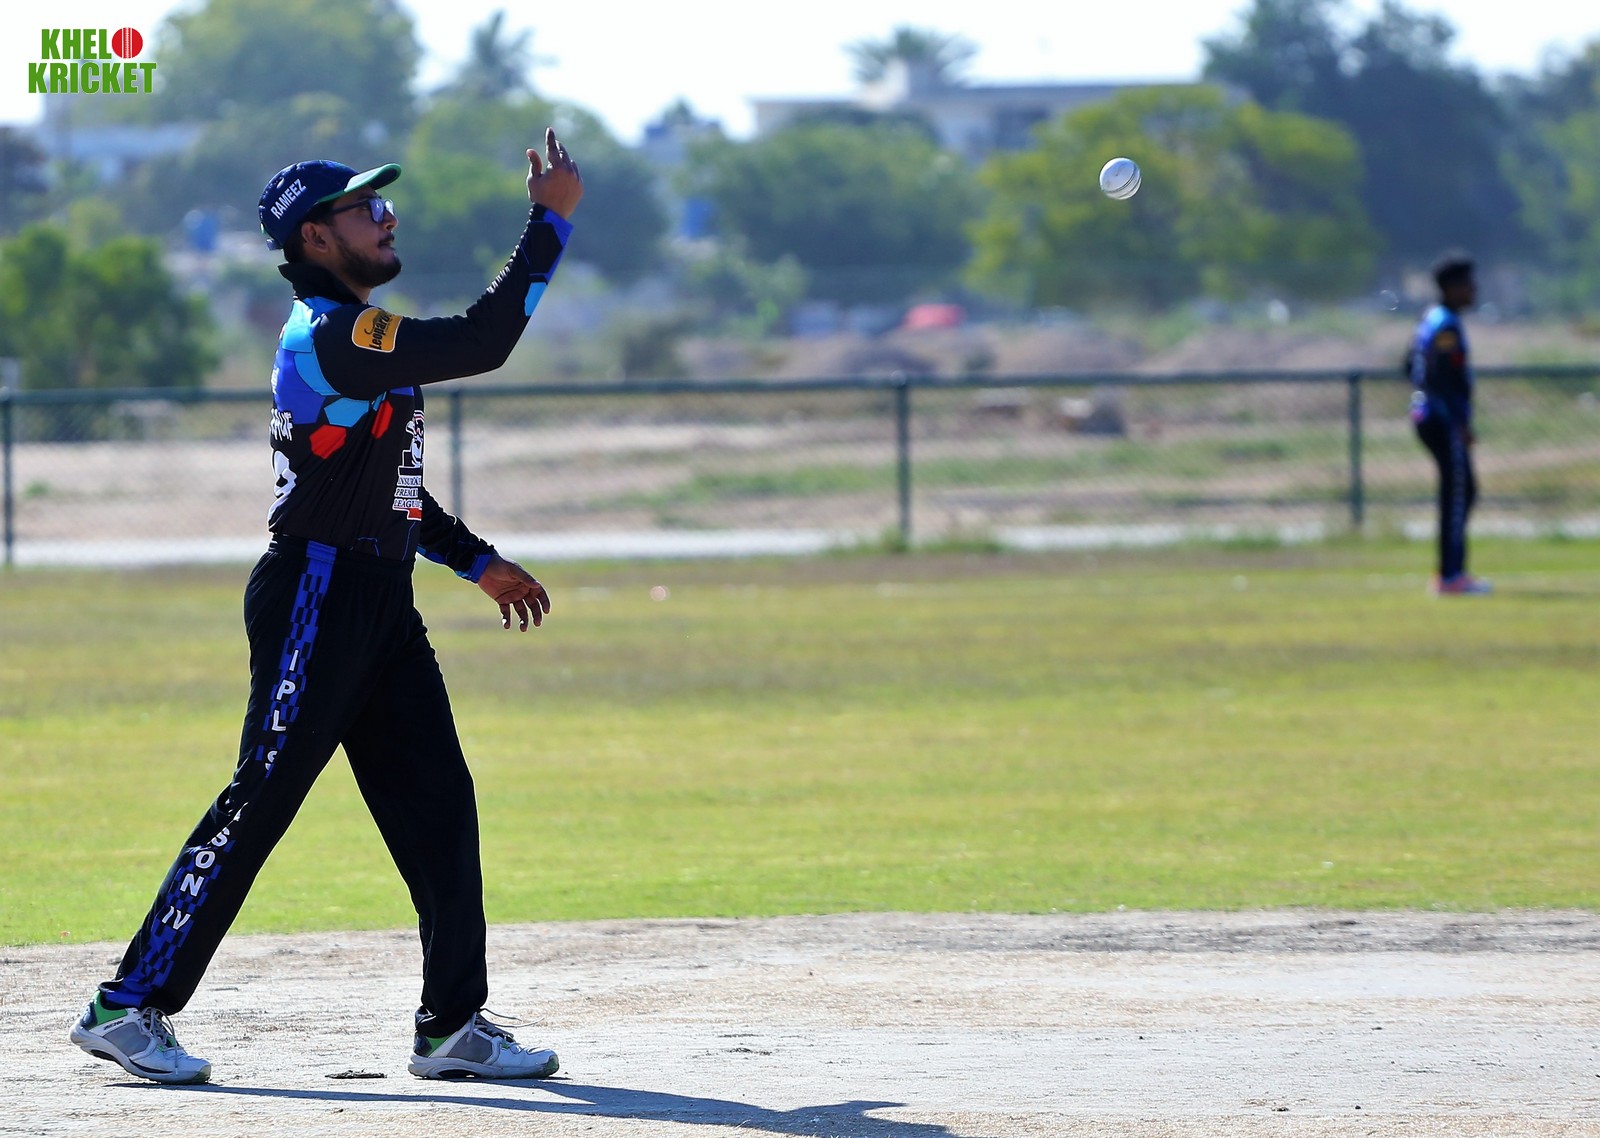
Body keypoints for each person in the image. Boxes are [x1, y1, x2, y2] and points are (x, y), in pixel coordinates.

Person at [69, 128, 583, 1085]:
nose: (388, 218)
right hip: (315, 590)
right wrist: (548, 222)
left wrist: (476, 563)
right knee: (260, 799)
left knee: (439, 805)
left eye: (382, 203)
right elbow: (486, 340)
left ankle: (451, 1027)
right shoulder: (336, 336)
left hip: (378, 597)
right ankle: (126, 1006)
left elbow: (395, 490)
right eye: (365, 209)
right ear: (314, 237)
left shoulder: (358, 336)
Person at [1408, 250, 1490, 596]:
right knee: (1458, 493)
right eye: (1469, 284)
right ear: (1452, 287)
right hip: (1441, 420)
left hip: (1432, 416)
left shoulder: (1433, 318)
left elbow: (1409, 365)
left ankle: (1451, 572)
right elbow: (1440, 378)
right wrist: (1457, 422)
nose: (1474, 290)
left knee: (1462, 490)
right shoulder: (1446, 325)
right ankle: (1451, 576)